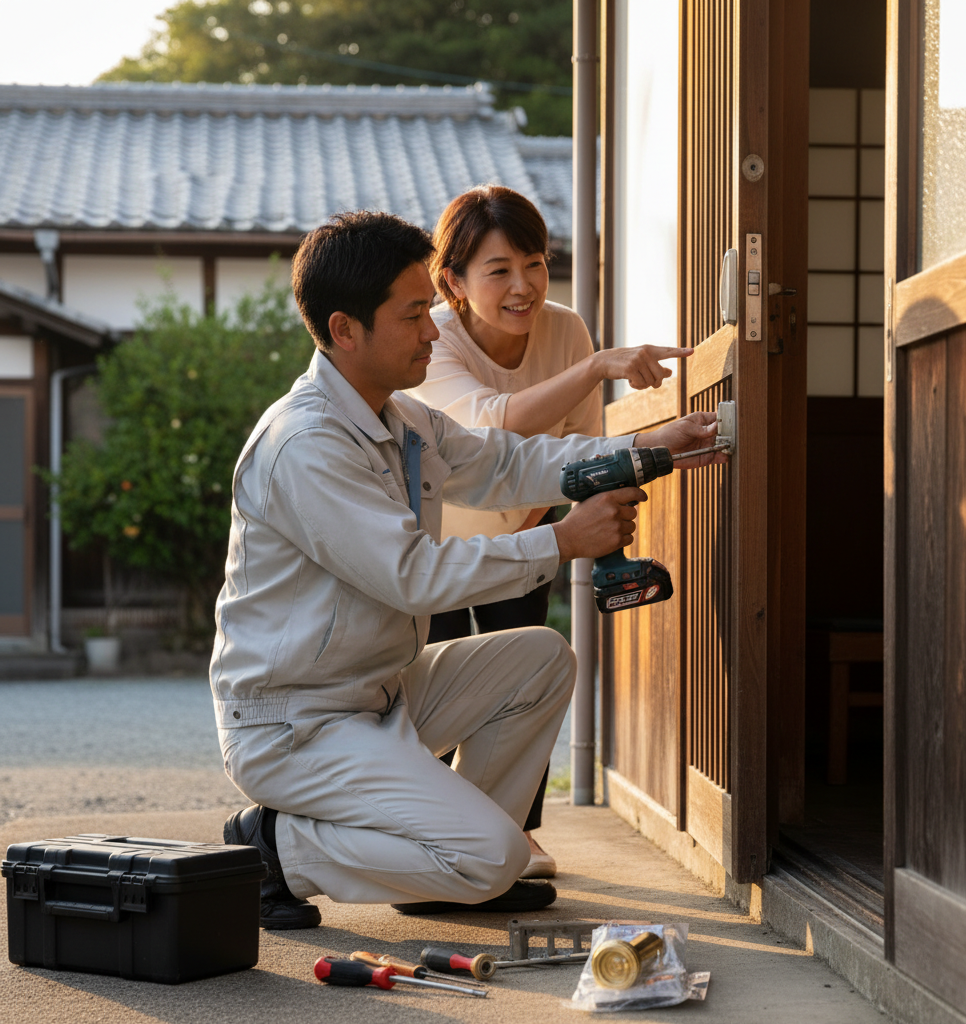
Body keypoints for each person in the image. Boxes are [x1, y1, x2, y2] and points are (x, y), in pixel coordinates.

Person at [212, 210, 725, 930]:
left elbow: (510, 463)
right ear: (344, 329)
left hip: (378, 697)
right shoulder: (306, 444)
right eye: (414, 313)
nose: (432, 330)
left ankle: (450, 871)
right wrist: (562, 543)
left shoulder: (400, 420)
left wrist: (648, 447)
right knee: (492, 858)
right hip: (297, 724)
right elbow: (412, 575)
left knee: (540, 658)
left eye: (430, 308)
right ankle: (274, 848)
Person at [408, 185, 694, 878]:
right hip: (437, 543)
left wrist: (579, 527)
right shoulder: (431, 338)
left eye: (534, 264)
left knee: (529, 671)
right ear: (454, 281)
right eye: (498, 270)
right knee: (439, 680)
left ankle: (512, 827)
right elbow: (488, 425)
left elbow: (580, 448)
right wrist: (598, 367)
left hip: (525, 528)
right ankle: (426, 831)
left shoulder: (565, 329)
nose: (522, 286)